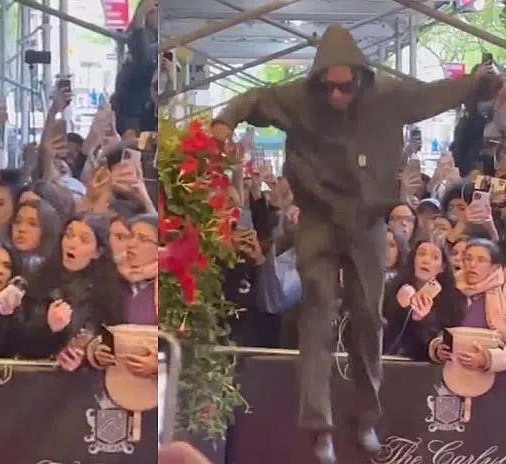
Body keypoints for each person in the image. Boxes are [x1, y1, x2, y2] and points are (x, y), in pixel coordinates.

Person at [209, 24, 501, 464]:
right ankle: (317, 423)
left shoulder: (387, 95)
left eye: (345, 87)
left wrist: (485, 83)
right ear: (318, 81)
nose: (336, 96)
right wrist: (221, 125)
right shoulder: (297, 99)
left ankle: (366, 414)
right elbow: (251, 100)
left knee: (368, 315)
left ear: (361, 79)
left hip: (366, 221)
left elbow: (436, 94)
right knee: (318, 311)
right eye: (329, 86)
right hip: (318, 219)